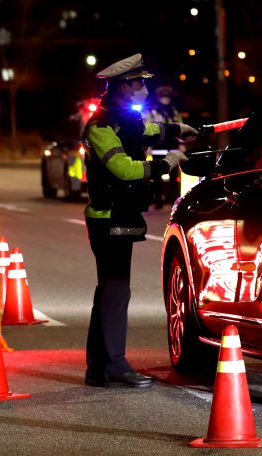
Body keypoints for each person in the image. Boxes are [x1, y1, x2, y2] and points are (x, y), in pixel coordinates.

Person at [81, 53, 197, 388]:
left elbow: (143, 130)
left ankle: (99, 367)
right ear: (122, 89)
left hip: (122, 214)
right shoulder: (100, 126)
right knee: (115, 290)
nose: (145, 90)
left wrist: (176, 129)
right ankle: (112, 363)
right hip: (108, 218)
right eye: (139, 85)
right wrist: (166, 164)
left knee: (112, 291)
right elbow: (125, 169)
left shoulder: (121, 118)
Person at [145, 85, 184, 209]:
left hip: (172, 147)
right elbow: (148, 130)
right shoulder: (153, 112)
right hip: (158, 148)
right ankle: (158, 201)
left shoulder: (174, 111)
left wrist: (182, 144)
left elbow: (180, 128)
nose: (166, 100)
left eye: (167, 98)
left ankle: (173, 201)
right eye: (163, 98)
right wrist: (149, 146)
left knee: (174, 178)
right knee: (157, 177)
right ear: (159, 98)